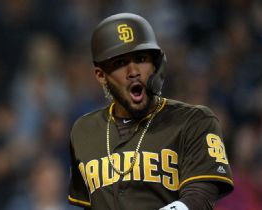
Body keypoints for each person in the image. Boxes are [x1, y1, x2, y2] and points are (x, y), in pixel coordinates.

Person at [68, 13, 234, 210]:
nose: (133, 71)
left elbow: (200, 199)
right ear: (101, 75)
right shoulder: (83, 132)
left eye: (140, 59)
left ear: (156, 65)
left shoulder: (194, 121)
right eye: (120, 63)